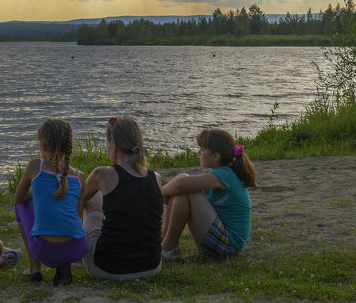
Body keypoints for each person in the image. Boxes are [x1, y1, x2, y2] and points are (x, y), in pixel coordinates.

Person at [77, 116, 163, 281]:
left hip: (108, 268)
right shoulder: (156, 177)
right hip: (151, 266)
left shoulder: (102, 174)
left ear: (114, 145)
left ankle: (75, 254)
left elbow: (77, 201)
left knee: (92, 208)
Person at [161, 128, 256, 260]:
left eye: (203, 149)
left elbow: (180, 185)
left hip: (229, 246)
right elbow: (180, 185)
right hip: (222, 241)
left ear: (216, 156)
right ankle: (165, 243)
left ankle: (169, 246)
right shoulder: (218, 174)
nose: (199, 152)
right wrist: (169, 191)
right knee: (182, 185)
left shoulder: (225, 174)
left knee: (185, 187)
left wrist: (160, 192)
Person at [13, 118, 87, 285]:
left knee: (21, 206)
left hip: (45, 250)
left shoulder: (34, 167)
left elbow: (18, 198)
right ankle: (64, 265)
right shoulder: (80, 177)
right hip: (77, 248)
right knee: (67, 220)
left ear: (43, 146)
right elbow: (79, 218)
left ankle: (34, 268)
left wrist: (38, 190)